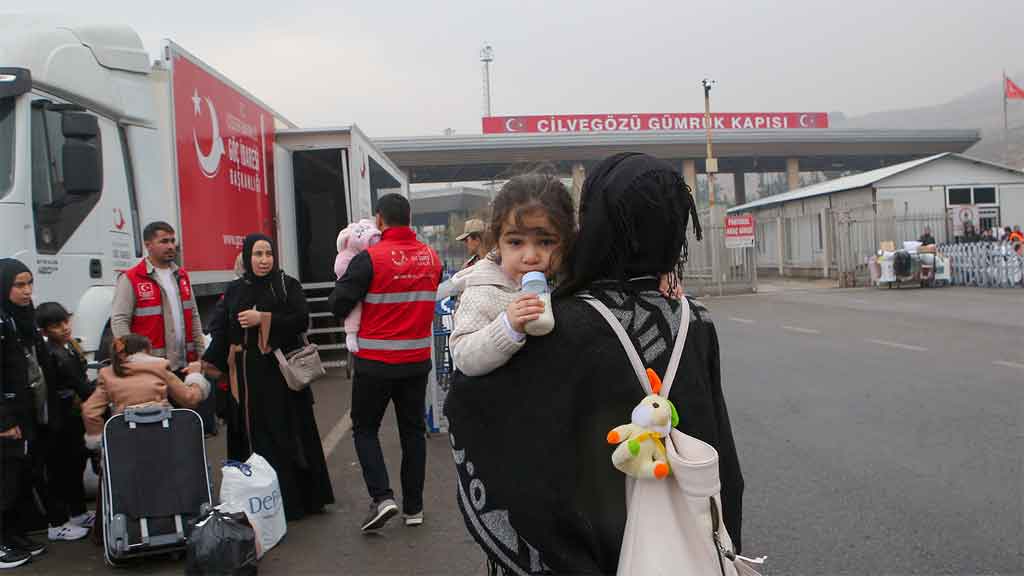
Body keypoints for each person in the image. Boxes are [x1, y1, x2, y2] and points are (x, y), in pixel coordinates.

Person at [445, 153, 744, 574]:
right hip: (684, 544)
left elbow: (478, 412)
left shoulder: (556, 323)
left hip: (588, 548)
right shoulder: (696, 318)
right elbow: (719, 444)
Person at [328, 194, 442, 532]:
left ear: (379, 220)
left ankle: (382, 498)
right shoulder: (431, 257)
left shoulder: (369, 259)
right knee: (413, 433)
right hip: (416, 362)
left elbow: (338, 304)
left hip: (375, 364)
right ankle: (414, 508)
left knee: (365, 429)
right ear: (409, 218)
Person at [204, 234, 334, 521]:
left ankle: (293, 502)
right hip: (246, 378)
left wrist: (263, 319)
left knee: (285, 436)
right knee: (252, 437)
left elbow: (301, 319)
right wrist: (206, 363)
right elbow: (221, 329)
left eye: (268, 254)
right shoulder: (236, 289)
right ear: (247, 257)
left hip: (280, 378)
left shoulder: (287, 285)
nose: (264, 260)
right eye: (258, 254)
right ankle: (255, 501)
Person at [447, 174, 575, 377]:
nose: (530, 257)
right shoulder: (483, 290)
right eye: (516, 242)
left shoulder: (574, 285)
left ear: (566, 242)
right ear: (497, 243)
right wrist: (507, 326)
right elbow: (463, 356)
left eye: (546, 242)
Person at [0, 259, 54, 566]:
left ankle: (14, 535)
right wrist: (4, 421)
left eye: (29, 283)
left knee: (21, 477)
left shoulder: (21, 318)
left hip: (26, 411)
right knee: (6, 481)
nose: (26, 291)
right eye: (19, 285)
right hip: (7, 418)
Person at [111, 221, 204, 375]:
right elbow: (120, 321)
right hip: (150, 368)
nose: (171, 246)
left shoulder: (181, 276)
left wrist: (201, 353)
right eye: (164, 241)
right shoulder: (131, 278)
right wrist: (131, 358)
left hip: (185, 365)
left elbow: (193, 316)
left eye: (172, 241)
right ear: (148, 245)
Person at [82, 334, 208, 445]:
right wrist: (195, 375)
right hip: (164, 434)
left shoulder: (107, 374)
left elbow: (89, 411)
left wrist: (100, 440)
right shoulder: (159, 367)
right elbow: (190, 399)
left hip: (125, 440)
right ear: (147, 350)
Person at [35, 303, 93, 542]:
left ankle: (78, 513)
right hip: (60, 418)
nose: (65, 328)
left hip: (73, 415)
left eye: (66, 321)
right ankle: (58, 523)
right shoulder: (51, 352)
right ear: (45, 331)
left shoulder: (69, 346)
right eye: (56, 325)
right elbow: (77, 384)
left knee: (76, 464)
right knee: (60, 470)